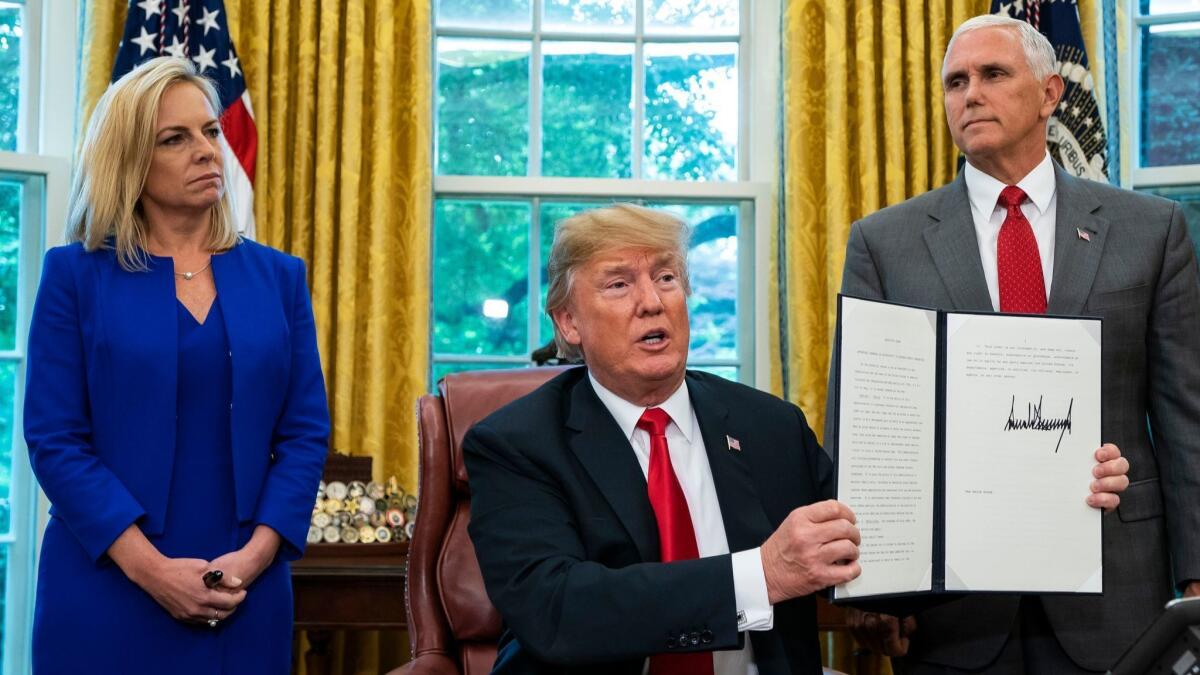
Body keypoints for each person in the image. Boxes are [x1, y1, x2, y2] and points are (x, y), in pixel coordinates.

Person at [463, 204, 1127, 675]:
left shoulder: (767, 426)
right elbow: (559, 609)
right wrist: (762, 573)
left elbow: (887, 553)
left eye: (666, 277)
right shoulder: (517, 443)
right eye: (619, 283)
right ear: (568, 322)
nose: (652, 301)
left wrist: (1046, 495)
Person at [829, 14, 1194, 674]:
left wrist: (1199, 575)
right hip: (950, 608)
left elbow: (1186, 418)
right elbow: (866, 427)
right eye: (955, 82)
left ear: (1051, 94)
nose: (970, 94)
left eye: (994, 75)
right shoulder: (884, 242)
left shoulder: (1151, 230)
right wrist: (870, 585)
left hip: (1118, 591)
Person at [25, 57, 329, 674]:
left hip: (245, 587)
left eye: (211, 132)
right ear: (130, 161)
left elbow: (304, 434)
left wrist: (256, 556)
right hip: (105, 582)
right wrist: (152, 571)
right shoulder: (74, 276)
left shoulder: (279, 278)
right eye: (176, 138)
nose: (206, 150)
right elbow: (55, 441)